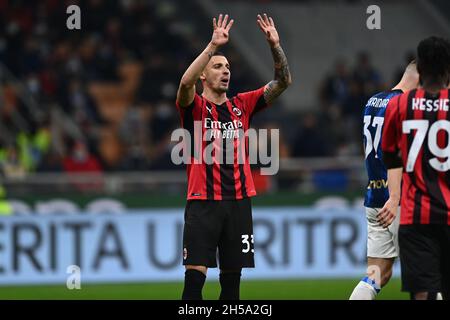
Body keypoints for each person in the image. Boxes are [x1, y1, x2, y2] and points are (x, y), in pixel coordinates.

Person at [175, 13, 291, 300]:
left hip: (239, 204)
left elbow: (283, 81)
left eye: (227, 67)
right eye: (217, 67)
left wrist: (275, 45)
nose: (225, 71)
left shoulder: (243, 105)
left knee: (232, 287)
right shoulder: (195, 108)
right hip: (203, 203)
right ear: (204, 73)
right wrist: (212, 47)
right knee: (193, 285)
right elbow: (184, 84)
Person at [381, 36, 450, 300]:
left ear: (419, 68)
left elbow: (389, 155)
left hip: (416, 218)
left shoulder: (399, 105)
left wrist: (397, 194)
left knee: (422, 295)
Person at [349, 62, 419, 300]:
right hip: (398, 199)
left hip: (375, 197)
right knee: (426, 276)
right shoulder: (404, 106)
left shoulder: (373, 101)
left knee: (378, 273)